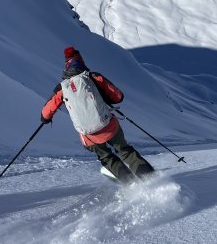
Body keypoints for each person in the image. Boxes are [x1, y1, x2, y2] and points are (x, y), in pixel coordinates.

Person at [41, 46, 155, 183]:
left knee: (106, 157)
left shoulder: (61, 88)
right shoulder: (94, 77)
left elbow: (45, 113)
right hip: (108, 126)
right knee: (125, 151)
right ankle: (151, 180)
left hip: (88, 135)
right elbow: (118, 97)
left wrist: (45, 119)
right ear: (81, 61)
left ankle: (131, 184)